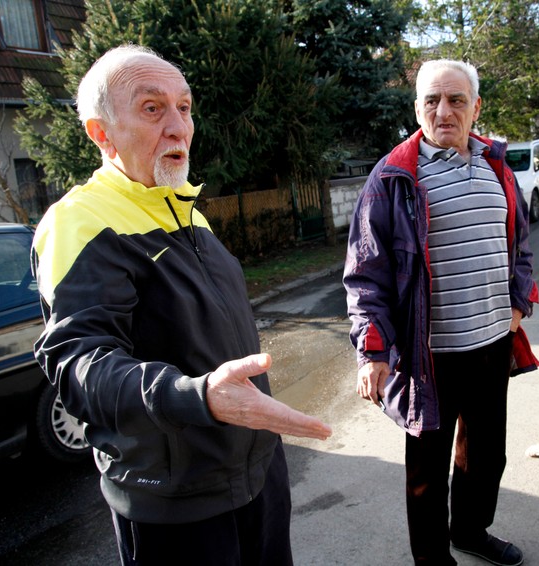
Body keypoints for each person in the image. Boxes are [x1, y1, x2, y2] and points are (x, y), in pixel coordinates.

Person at [32, 44, 332, 566]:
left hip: (258, 476)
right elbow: (79, 366)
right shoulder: (78, 222)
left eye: (185, 107)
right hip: (176, 504)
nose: (179, 127)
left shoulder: (187, 211)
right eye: (153, 108)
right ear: (100, 133)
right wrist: (196, 397)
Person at [343, 59, 539, 566]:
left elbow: (518, 243)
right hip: (429, 355)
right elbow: (366, 276)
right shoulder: (392, 179)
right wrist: (372, 350)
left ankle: (471, 531)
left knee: (485, 454)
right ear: (417, 108)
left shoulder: (497, 166)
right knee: (427, 470)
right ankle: (433, 559)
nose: (443, 110)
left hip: (493, 343)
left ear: (476, 107)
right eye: (431, 100)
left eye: (455, 100)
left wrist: (519, 302)